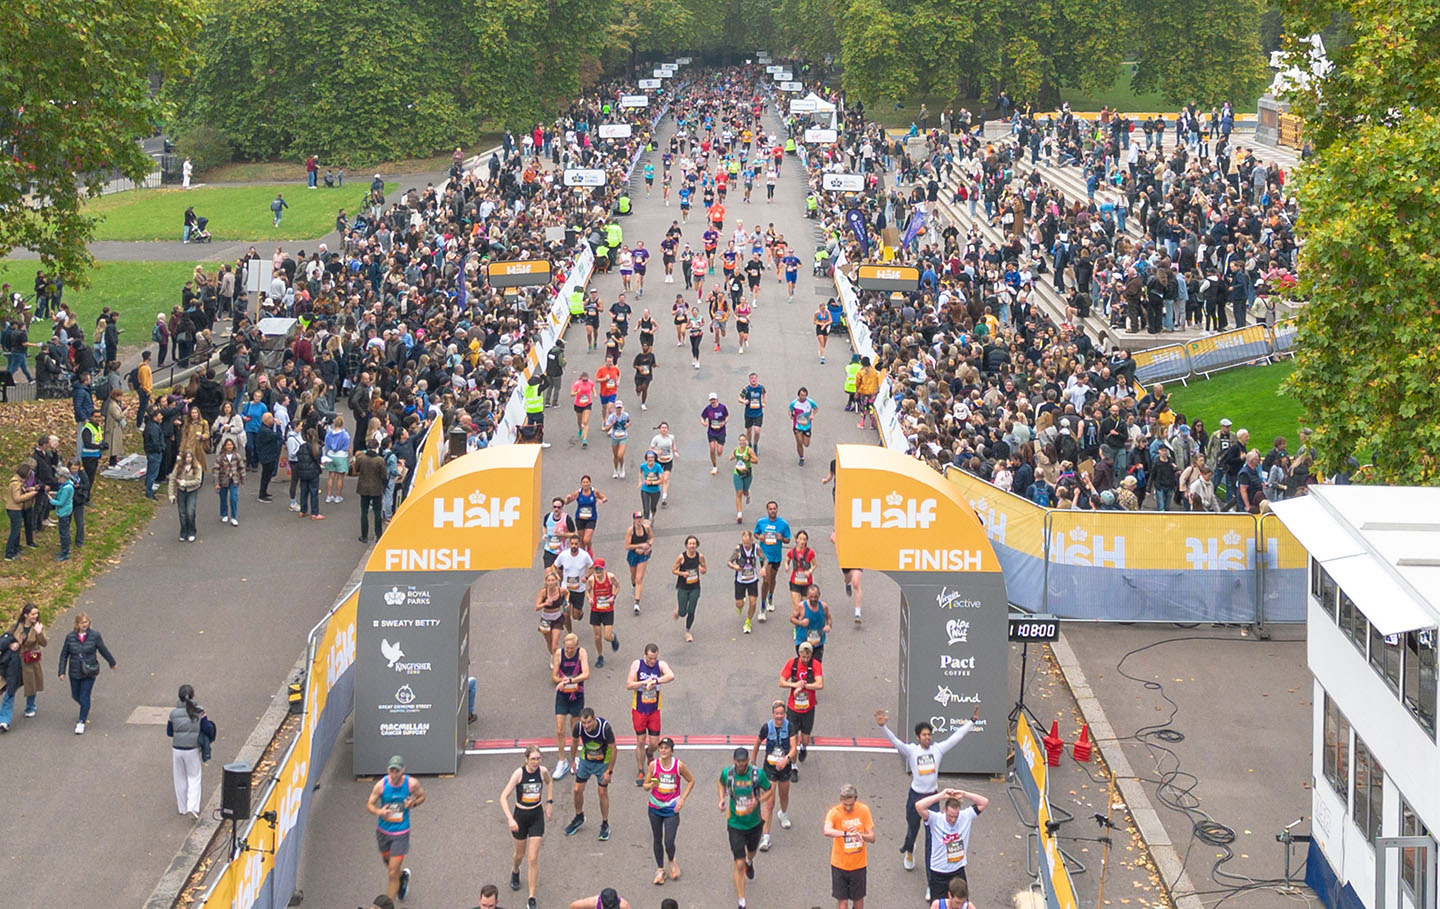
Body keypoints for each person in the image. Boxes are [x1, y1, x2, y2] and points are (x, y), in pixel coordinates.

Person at [876, 706, 979, 872]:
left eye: (929, 734)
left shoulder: (938, 749)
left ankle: (931, 879)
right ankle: (909, 850)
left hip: (932, 797)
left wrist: (972, 721)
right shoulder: (912, 751)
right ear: (918, 737)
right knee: (912, 829)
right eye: (924, 735)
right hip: (915, 796)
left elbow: (956, 737)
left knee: (932, 836)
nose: (927, 737)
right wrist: (883, 727)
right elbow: (895, 741)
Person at [719, 746, 773, 909]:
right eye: (738, 761)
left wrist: (758, 801)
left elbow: (769, 790)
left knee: (751, 852)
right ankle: (742, 902)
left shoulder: (757, 775)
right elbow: (721, 784)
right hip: (735, 824)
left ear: (748, 761)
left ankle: (750, 861)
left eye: (744, 762)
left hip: (754, 823)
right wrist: (721, 799)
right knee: (739, 863)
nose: (741, 764)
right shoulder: (728, 774)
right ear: (734, 760)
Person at [500, 744, 553, 909]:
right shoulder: (519, 774)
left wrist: (549, 802)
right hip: (520, 817)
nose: (536, 762)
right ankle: (515, 870)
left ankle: (531, 897)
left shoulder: (542, 771)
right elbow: (503, 797)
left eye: (538, 759)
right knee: (520, 855)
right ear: (526, 759)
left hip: (536, 815)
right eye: (532, 759)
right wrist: (510, 819)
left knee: (532, 857)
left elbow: (549, 782)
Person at [367, 754, 425, 902]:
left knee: (392, 872)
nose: (393, 774)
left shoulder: (411, 784)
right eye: (391, 770)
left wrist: (413, 803)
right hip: (383, 832)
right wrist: (380, 812)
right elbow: (369, 805)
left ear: (403, 770)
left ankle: (388, 905)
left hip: (401, 832)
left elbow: (422, 796)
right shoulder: (381, 785)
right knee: (388, 863)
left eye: (396, 771)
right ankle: (402, 877)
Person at [915, 787, 989, 901]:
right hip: (939, 872)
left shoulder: (965, 816)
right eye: (950, 816)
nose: (953, 820)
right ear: (944, 810)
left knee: (961, 903)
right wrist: (941, 795)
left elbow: (984, 802)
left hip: (958, 870)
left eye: (956, 816)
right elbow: (919, 806)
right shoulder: (935, 819)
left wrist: (964, 794)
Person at [643, 737, 696, 885]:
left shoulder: (678, 766)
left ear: (672, 750)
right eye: (661, 748)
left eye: (666, 748)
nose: (663, 751)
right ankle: (660, 869)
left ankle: (672, 860)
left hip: (671, 808)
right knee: (657, 839)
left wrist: (682, 799)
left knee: (669, 841)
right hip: (654, 807)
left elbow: (691, 780)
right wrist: (651, 785)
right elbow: (646, 785)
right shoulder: (654, 765)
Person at [56, 611, 116, 734]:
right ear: (77, 624)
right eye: (82, 622)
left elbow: (103, 650)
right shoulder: (70, 637)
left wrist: (111, 662)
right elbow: (64, 655)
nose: (84, 624)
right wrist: (61, 671)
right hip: (74, 671)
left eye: (86, 622)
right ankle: (86, 706)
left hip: (89, 671)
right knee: (75, 695)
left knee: (84, 695)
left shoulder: (95, 636)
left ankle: (81, 721)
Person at [564, 707, 616, 841]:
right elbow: (574, 742)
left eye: (588, 723)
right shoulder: (579, 727)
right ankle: (579, 817)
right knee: (577, 790)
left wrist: (609, 770)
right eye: (583, 723)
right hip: (586, 760)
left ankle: (605, 824)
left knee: (602, 792)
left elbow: (613, 749)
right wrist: (573, 761)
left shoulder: (605, 728)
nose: (586, 726)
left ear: (594, 719)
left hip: (602, 762)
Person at [752, 699, 798, 851]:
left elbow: (793, 748)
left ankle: (783, 813)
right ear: (773, 714)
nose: (779, 716)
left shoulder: (789, 726)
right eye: (777, 713)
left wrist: (786, 760)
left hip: (784, 768)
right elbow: (757, 743)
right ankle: (766, 838)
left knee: (784, 795)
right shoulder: (767, 727)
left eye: (782, 713)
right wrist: (753, 761)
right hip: (770, 769)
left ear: (785, 714)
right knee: (769, 803)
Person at [824, 783, 877, 909]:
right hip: (839, 865)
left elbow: (872, 838)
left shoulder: (863, 810)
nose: (848, 808)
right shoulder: (834, 812)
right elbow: (827, 831)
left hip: (858, 865)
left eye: (851, 805)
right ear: (841, 800)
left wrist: (860, 835)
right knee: (843, 904)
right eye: (845, 805)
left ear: (856, 799)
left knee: (858, 903)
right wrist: (846, 834)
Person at [167, 684, 215, 819]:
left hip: (177, 749)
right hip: (192, 749)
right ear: (193, 695)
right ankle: (192, 807)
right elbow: (206, 727)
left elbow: (169, 732)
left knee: (179, 778)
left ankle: (182, 807)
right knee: (194, 777)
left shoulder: (173, 714)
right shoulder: (200, 712)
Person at [551, 633, 589, 780]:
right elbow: (554, 676)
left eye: (571, 649)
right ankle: (562, 761)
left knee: (575, 730)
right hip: (563, 695)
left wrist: (570, 680)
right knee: (560, 729)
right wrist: (561, 681)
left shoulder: (582, 653)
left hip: (577, 694)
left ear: (576, 646)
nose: (569, 651)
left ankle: (574, 758)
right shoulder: (559, 654)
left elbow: (586, 673)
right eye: (567, 648)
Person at [0, 603, 45, 726]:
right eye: (33, 614)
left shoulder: (37, 627)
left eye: (37, 613)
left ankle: (30, 707)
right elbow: (5, 638)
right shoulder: (15, 627)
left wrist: (39, 632)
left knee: (31, 686)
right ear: (26, 615)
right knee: (10, 689)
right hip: (15, 663)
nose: (35, 616)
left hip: (30, 662)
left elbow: (44, 643)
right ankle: (4, 720)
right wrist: (10, 645)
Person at [780, 641, 823, 763]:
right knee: (792, 741)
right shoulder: (792, 663)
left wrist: (803, 686)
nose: (805, 659)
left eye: (808, 657)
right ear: (799, 654)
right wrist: (794, 685)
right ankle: (793, 768)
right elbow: (781, 682)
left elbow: (820, 684)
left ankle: (804, 748)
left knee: (805, 739)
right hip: (793, 708)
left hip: (808, 708)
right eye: (803, 657)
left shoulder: (815, 664)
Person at [753, 501, 792, 613]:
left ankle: (770, 597)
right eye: (770, 509)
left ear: (777, 510)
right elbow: (756, 533)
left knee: (772, 579)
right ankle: (763, 606)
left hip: (776, 556)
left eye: (774, 508)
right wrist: (760, 537)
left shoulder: (783, 524)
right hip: (764, 556)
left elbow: (788, 539)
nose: (772, 510)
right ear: (767, 510)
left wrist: (781, 538)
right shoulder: (761, 522)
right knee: (766, 580)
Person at [554, 534, 594, 629]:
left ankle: (579, 613)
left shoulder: (584, 556)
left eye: (576, 544)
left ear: (579, 544)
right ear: (569, 544)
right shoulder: (563, 555)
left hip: (579, 590)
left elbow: (592, 567)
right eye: (572, 544)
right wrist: (556, 576)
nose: (574, 546)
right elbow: (554, 566)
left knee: (575, 616)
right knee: (565, 614)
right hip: (565, 589)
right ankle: (570, 634)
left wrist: (586, 576)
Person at [671, 535, 706, 643]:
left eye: (694, 544)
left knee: (691, 610)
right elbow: (673, 570)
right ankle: (679, 610)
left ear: (697, 545)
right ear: (686, 545)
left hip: (695, 587)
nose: (692, 546)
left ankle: (687, 631)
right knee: (682, 613)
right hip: (683, 586)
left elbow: (705, 568)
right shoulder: (681, 557)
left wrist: (702, 569)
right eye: (690, 544)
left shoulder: (700, 556)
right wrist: (682, 573)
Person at [586, 558, 621, 665]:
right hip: (596, 610)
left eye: (599, 569)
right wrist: (589, 599)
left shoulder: (610, 577)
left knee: (607, 636)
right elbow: (587, 591)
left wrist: (613, 597)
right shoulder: (591, 579)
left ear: (603, 568)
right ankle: (600, 656)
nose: (598, 571)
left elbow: (618, 586)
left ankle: (613, 638)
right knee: (597, 636)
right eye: (596, 569)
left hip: (607, 609)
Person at [729, 530, 763, 633]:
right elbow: (729, 562)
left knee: (753, 603)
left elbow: (764, 559)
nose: (746, 546)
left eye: (748, 543)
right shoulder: (738, 549)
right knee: (739, 604)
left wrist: (764, 568)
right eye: (744, 543)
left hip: (752, 579)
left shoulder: (756, 548)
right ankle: (741, 605)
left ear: (752, 540)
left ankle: (748, 622)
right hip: (740, 580)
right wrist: (735, 566)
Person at [354, 441, 388, 542]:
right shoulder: (380, 460)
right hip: (376, 488)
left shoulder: (361, 458)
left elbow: (357, 469)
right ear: (377, 447)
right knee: (377, 513)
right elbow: (383, 475)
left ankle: (364, 536)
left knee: (364, 512)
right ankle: (378, 535)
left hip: (363, 487)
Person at [168, 449, 205, 542]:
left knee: (190, 511)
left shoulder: (197, 467)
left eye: (190, 457)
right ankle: (183, 531)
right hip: (181, 491)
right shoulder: (178, 467)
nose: (188, 459)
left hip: (192, 491)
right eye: (186, 457)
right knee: (182, 513)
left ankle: (192, 531)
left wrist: (185, 483)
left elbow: (198, 481)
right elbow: (172, 479)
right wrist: (171, 494)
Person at [791, 584, 832, 664]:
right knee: (804, 666)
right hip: (803, 642)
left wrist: (828, 625)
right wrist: (801, 623)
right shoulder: (801, 606)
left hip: (818, 642)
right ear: (807, 596)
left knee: (816, 667)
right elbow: (792, 618)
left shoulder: (823, 606)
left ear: (819, 595)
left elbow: (829, 618)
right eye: (811, 597)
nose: (813, 599)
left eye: (815, 597)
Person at [5, 463, 38, 561]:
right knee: (15, 531)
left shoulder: (19, 482)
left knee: (17, 530)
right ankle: (9, 554)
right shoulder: (15, 483)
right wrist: (30, 494)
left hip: (17, 509)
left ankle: (15, 549)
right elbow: (17, 498)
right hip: (14, 509)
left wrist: (27, 489)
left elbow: (20, 491)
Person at [565, 476, 607, 552]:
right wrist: (567, 498)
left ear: (590, 483)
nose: (585, 484)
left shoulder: (594, 492)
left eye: (587, 482)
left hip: (591, 518)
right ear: (581, 483)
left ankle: (590, 548)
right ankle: (584, 556)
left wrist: (601, 501)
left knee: (586, 540)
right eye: (584, 482)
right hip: (580, 518)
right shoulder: (578, 493)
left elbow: (605, 498)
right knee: (581, 541)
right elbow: (566, 502)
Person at [783, 529, 819, 617]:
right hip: (795, 582)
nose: (802, 541)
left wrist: (810, 571)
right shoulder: (792, 552)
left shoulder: (810, 552)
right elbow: (786, 560)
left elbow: (815, 564)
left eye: (804, 539)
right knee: (797, 606)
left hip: (807, 583)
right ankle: (797, 626)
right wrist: (786, 566)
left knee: (805, 607)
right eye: (800, 539)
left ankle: (803, 623)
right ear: (796, 540)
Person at [623, 510, 653, 611]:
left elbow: (651, 538)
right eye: (637, 519)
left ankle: (637, 603)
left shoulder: (646, 528)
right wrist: (639, 546)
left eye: (640, 518)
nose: (639, 520)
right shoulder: (630, 530)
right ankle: (634, 586)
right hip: (633, 554)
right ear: (634, 520)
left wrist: (648, 545)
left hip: (643, 555)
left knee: (639, 578)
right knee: (633, 577)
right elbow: (627, 546)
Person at [214, 438, 244, 527]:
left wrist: (242, 479)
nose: (229, 446)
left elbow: (241, 468)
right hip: (223, 480)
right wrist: (216, 483)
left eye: (231, 444)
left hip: (234, 480)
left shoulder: (237, 456)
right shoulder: (220, 457)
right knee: (223, 498)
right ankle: (224, 514)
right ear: (225, 446)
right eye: (228, 445)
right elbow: (216, 470)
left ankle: (234, 517)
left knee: (233, 498)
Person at [47, 466, 75, 562]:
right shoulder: (66, 486)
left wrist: (51, 500)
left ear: (64, 477)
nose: (58, 480)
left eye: (59, 478)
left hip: (64, 513)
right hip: (65, 511)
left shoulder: (67, 488)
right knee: (63, 532)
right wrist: (55, 493)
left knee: (64, 533)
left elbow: (60, 502)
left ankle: (65, 553)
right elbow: (61, 493)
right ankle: (64, 550)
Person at [730, 435, 758, 522]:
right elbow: (733, 456)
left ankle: (748, 494)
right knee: (739, 492)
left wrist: (748, 459)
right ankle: (739, 514)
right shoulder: (737, 450)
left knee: (745, 492)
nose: (742, 442)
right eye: (740, 441)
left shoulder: (749, 450)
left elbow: (756, 460)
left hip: (747, 473)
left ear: (746, 441)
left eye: (744, 441)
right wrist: (731, 458)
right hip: (737, 473)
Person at [323, 416, 351, 504]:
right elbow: (347, 447)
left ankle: (328, 496)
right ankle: (338, 497)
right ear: (342, 424)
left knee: (331, 476)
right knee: (340, 478)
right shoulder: (345, 435)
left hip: (331, 455)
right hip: (341, 456)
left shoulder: (329, 434)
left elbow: (326, 445)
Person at [648, 423, 677, 505]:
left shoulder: (671, 437)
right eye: (662, 428)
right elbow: (650, 449)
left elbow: (673, 445)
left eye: (665, 428)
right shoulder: (656, 438)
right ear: (660, 429)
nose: (664, 429)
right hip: (659, 461)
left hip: (668, 460)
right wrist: (657, 452)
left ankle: (664, 497)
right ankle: (653, 492)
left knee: (666, 478)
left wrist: (675, 451)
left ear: (668, 429)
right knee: (658, 478)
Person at [701, 391, 729, 475]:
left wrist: (724, 422)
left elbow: (727, 416)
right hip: (711, 432)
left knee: (719, 452)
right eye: (711, 399)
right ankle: (714, 466)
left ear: (717, 399)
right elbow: (702, 417)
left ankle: (718, 447)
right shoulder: (708, 409)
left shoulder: (722, 407)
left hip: (721, 431)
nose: (712, 401)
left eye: (714, 399)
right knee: (712, 449)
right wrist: (704, 422)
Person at [789, 387, 817, 466]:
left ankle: (801, 447)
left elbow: (816, 408)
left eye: (804, 396)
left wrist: (812, 414)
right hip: (797, 426)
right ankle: (801, 457)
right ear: (798, 395)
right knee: (799, 441)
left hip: (807, 426)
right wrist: (791, 415)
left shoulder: (810, 402)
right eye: (801, 395)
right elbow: (790, 410)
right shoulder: (794, 403)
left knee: (806, 444)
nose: (803, 397)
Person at [738, 373, 766, 451]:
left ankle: (755, 444)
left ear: (757, 379)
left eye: (755, 378)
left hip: (758, 413)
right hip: (749, 413)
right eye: (751, 378)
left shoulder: (761, 388)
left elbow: (764, 394)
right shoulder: (746, 389)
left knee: (757, 430)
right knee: (749, 430)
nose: (753, 379)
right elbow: (739, 398)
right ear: (749, 380)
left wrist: (763, 402)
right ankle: (749, 443)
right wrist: (744, 401)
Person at [603, 400, 630, 479]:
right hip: (614, 437)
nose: (618, 409)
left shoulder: (625, 415)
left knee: (620, 455)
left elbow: (629, 420)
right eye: (617, 408)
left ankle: (622, 468)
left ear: (622, 408)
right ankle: (615, 470)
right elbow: (606, 429)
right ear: (615, 408)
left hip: (623, 437)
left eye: (620, 408)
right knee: (615, 456)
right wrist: (612, 424)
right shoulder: (612, 417)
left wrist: (628, 424)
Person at [636, 451, 663, 523]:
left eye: (652, 457)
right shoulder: (643, 466)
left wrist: (651, 483)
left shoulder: (658, 467)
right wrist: (640, 481)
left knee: (653, 507)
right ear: (646, 459)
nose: (650, 459)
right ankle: (646, 525)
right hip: (645, 490)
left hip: (655, 490)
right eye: (648, 458)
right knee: (646, 509)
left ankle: (652, 516)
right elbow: (640, 472)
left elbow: (661, 480)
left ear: (655, 458)